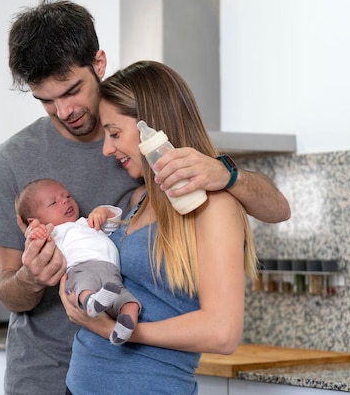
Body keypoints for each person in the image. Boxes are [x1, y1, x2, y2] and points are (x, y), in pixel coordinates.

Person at [0, 0, 290, 395]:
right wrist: (30, 276)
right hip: (41, 374)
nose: (63, 110)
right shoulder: (14, 159)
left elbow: (277, 208)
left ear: (99, 63)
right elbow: (8, 289)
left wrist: (226, 172)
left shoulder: (155, 157)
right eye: (46, 100)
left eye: (71, 90)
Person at [60, 60, 258, 394]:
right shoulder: (139, 198)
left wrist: (116, 329)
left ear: (151, 128)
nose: (108, 149)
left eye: (114, 134)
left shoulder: (215, 206)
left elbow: (223, 333)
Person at [15, 178, 141, 345]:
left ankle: (122, 329)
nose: (65, 201)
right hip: (80, 270)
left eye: (67, 196)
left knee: (129, 301)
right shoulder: (53, 234)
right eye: (53, 203)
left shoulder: (86, 223)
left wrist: (102, 212)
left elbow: (115, 224)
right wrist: (36, 233)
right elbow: (38, 253)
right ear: (34, 220)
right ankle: (89, 301)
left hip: (111, 273)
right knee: (84, 284)